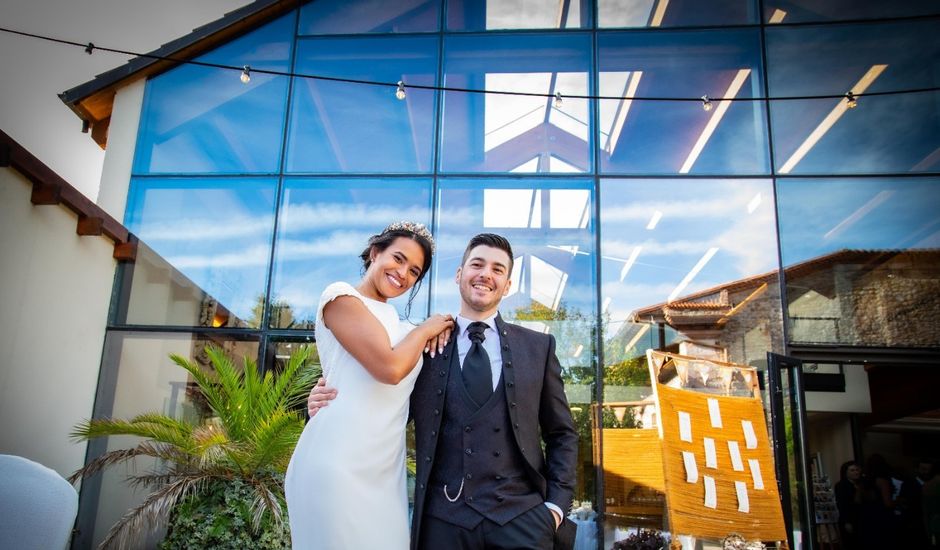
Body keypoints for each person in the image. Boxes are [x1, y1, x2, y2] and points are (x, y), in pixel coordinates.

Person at [308, 233, 579, 550]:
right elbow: (382, 402)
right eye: (476, 264)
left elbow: (562, 433)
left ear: (507, 285)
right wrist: (326, 397)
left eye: (497, 269)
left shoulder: (537, 347)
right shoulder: (421, 344)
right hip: (443, 524)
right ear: (459, 274)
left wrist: (555, 509)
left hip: (522, 522)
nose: (485, 275)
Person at [284, 221, 455, 550]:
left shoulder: (406, 328)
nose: (403, 273)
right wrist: (427, 329)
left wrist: (441, 327)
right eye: (398, 258)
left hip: (384, 473)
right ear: (375, 253)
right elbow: (389, 368)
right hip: (336, 464)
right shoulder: (340, 297)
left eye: (415, 271)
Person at [834, 460, 863, 549]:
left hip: (862, 519)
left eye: (857, 470)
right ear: (846, 472)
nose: (856, 472)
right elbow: (842, 504)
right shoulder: (841, 486)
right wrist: (847, 521)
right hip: (849, 519)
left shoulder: (862, 484)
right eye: (852, 470)